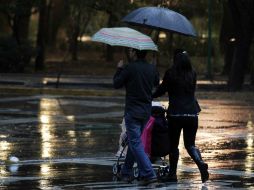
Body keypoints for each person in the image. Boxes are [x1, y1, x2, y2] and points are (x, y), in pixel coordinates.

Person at [152, 49, 209, 183]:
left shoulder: (171, 73)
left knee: (173, 146)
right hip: (192, 113)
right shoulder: (192, 74)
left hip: (176, 114)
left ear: (175, 61)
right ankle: (200, 163)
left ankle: (172, 175)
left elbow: (162, 89)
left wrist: (150, 96)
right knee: (190, 145)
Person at [113, 48, 160, 186]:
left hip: (132, 111)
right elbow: (156, 83)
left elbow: (116, 84)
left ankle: (149, 173)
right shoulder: (151, 68)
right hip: (146, 112)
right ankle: (126, 172)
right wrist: (154, 68)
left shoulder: (129, 68)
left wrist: (119, 69)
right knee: (135, 142)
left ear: (134, 53)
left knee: (135, 143)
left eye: (132, 51)